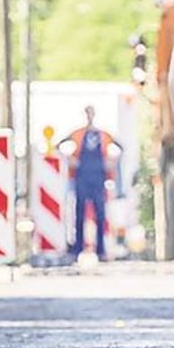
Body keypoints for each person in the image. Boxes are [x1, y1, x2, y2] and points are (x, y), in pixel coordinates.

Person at [58, 106, 121, 261]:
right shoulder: (78, 134)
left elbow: (120, 148)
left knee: (100, 214)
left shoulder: (104, 135)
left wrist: (112, 161)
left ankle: (100, 250)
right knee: (79, 214)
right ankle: (77, 249)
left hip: (99, 178)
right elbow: (59, 145)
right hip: (82, 177)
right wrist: (69, 159)